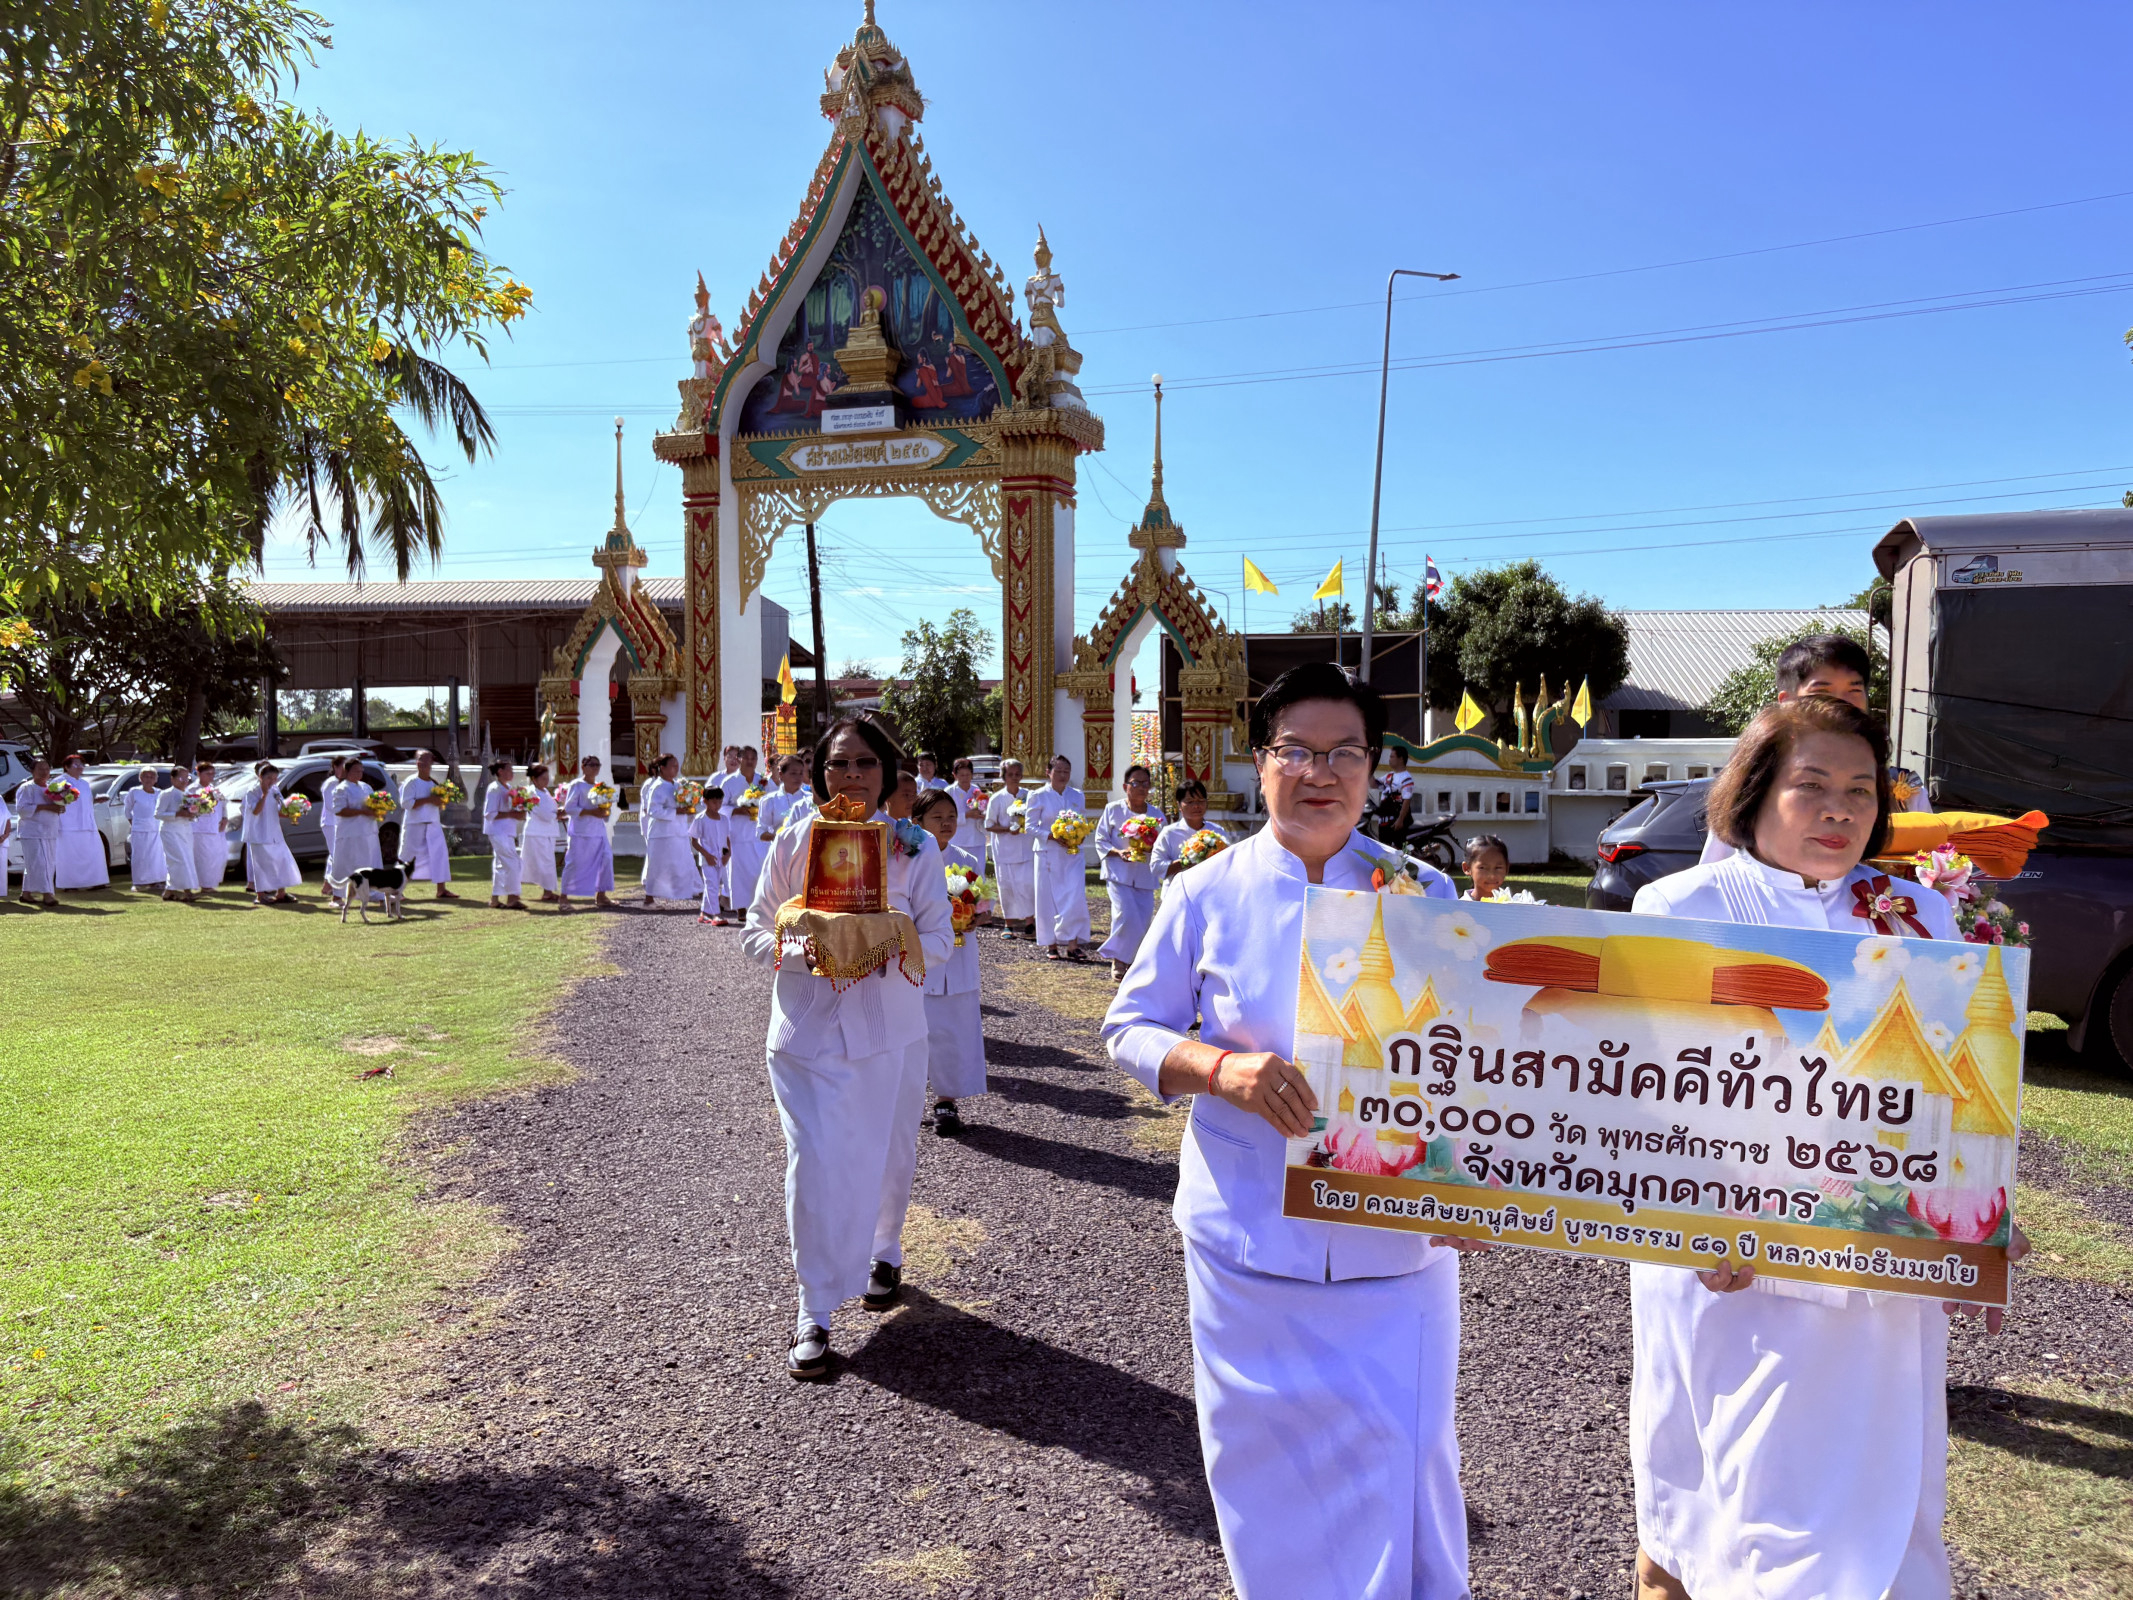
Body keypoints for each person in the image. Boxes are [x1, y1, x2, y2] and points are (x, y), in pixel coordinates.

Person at [1626, 694, 2025, 1600]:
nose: (1839, 811)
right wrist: (1686, 1221)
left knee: (1877, 1501)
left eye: (1859, 791)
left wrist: (1981, 1217)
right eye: (1811, 787)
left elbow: (1955, 1089)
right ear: (1752, 793)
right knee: (1739, 1501)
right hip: (1730, 1270)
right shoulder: (1679, 906)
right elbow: (1627, 1092)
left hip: (1881, 1275)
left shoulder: (1918, 916)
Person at [1102, 663, 1473, 1600]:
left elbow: (1480, 1056)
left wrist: (1481, 1183)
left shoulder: (1422, 892)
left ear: (1373, 768)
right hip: (1246, 1239)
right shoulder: (1206, 891)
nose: (1322, 773)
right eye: (1297, 752)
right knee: (1262, 1471)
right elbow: (1128, 1027)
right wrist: (1220, 1071)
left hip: (1395, 1246)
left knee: (1403, 1459)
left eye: (1345, 752)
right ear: (1259, 764)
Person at [742, 717, 954, 1381]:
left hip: (889, 1033)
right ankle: (814, 1307)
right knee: (815, 1163)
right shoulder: (796, 837)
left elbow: (940, 942)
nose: (852, 776)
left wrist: (881, 946)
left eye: (865, 763)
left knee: (888, 1151)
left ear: (889, 774)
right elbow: (754, 930)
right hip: (805, 1036)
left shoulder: (914, 851)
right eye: (838, 764)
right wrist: (816, 951)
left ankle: (883, 1249)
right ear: (817, 772)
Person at [1700, 634, 1923, 867]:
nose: (1840, 704)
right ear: (1787, 702)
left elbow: (1934, 864)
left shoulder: (1904, 786)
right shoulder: (1755, 781)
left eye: (1853, 691)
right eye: (1822, 692)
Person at [912, 787, 989, 1135]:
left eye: (951, 817)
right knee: (916, 1028)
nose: (946, 824)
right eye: (937, 818)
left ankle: (947, 1100)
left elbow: (984, 908)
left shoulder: (966, 859)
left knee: (956, 1028)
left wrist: (974, 918)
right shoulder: (908, 858)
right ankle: (907, 1099)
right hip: (920, 956)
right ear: (918, 822)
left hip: (959, 957)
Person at [1094, 764, 1167, 980]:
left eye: (1146, 783)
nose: (1142, 788)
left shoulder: (1156, 815)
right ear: (1126, 786)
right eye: (1136, 783)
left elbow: (1164, 845)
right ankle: (1119, 960)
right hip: (1118, 873)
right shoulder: (1113, 810)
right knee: (1125, 916)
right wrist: (1119, 852)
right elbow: (1100, 839)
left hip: (1145, 875)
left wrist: (1152, 847)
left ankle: (1134, 962)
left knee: (1143, 921)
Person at [1023, 755, 1091, 961]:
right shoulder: (1038, 796)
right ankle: (1051, 944)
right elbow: (1030, 826)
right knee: (1047, 899)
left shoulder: (1077, 795)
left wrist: (1079, 834)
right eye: (1058, 771)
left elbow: (1082, 821)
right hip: (1047, 853)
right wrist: (1052, 836)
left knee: (1075, 897)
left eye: (1066, 771)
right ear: (1048, 772)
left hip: (1071, 854)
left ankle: (1073, 944)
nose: (1063, 775)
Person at [398, 750, 461, 901]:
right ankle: (397, 890)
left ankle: (441, 889)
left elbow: (437, 803)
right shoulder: (411, 782)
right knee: (407, 857)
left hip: (433, 824)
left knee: (439, 855)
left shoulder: (433, 782)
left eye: (429, 762)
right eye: (423, 762)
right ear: (418, 764)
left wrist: (441, 802)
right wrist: (428, 799)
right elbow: (405, 803)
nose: (426, 765)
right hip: (415, 825)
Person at [638, 753, 701, 906]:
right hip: (662, 833)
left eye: (676, 765)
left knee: (683, 861)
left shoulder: (678, 785)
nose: (676, 768)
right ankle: (649, 898)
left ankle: (692, 889)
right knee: (658, 866)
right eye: (672, 765)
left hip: (678, 830)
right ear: (662, 768)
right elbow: (653, 810)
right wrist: (676, 812)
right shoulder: (657, 786)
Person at [984, 758, 1036, 938]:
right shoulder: (997, 799)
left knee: (1028, 886)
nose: (1014, 777)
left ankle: (1030, 922)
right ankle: (1009, 924)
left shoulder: (1029, 796)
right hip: (1005, 851)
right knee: (1007, 887)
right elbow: (989, 825)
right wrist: (1008, 829)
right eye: (1010, 774)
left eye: (1017, 774)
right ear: (1003, 776)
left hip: (1026, 849)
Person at [559, 754, 615, 912]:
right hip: (581, 832)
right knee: (575, 862)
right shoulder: (577, 785)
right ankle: (564, 897)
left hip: (598, 831)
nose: (595, 768)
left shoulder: (600, 787)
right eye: (592, 765)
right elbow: (569, 808)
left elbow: (604, 810)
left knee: (606, 859)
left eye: (597, 765)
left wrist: (605, 811)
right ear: (583, 767)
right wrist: (591, 812)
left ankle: (601, 895)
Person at [243, 761, 303, 905]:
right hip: (259, 833)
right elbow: (256, 811)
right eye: (269, 778)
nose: (272, 781)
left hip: (275, 832)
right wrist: (264, 794)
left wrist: (293, 812)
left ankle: (281, 893)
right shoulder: (252, 791)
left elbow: (279, 809)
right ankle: (260, 895)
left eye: (275, 778)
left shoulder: (275, 789)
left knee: (282, 861)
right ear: (260, 777)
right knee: (262, 864)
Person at [326, 759, 384, 899]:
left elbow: (372, 804)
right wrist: (362, 812)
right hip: (349, 833)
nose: (360, 773)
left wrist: (379, 810)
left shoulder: (366, 787)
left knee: (370, 862)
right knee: (346, 862)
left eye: (361, 770)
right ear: (347, 772)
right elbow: (339, 810)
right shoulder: (341, 788)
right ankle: (338, 895)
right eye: (356, 770)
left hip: (368, 831)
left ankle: (372, 892)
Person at [12, 755, 64, 906]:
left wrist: (60, 807)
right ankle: (48, 895)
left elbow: (58, 807)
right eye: (40, 769)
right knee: (41, 863)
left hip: (50, 831)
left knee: (42, 863)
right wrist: (46, 807)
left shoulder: (53, 789)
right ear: (32, 771)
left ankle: (26, 894)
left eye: (47, 769)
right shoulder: (26, 788)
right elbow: (21, 810)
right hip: (32, 832)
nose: (44, 772)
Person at [54, 752, 110, 891]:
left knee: (93, 852)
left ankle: (96, 881)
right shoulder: (60, 782)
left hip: (87, 823)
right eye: (76, 764)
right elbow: (56, 800)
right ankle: (70, 884)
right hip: (69, 825)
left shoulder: (84, 783)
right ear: (67, 767)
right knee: (70, 855)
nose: (80, 767)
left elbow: (85, 802)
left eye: (81, 764)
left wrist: (96, 800)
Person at [724, 746, 770, 912]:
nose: (750, 761)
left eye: (753, 758)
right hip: (739, 833)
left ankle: (760, 907)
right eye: (747, 758)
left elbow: (772, 800)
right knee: (739, 872)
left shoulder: (764, 781)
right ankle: (741, 907)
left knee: (760, 870)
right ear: (739, 759)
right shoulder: (729, 782)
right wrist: (737, 810)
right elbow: (719, 807)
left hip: (760, 833)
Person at [1150, 778, 1212, 889]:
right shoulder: (1169, 833)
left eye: (1201, 801)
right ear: (1179, 805)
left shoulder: (1216, 831)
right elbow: (1155, 866)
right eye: (1190, 802)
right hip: (1177, 893)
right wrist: (1184, 862)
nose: (1196, 806)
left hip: (1207, 892)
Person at [484, 760, 528, 909]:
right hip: (497, 831)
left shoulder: (509, 788)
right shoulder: (494, 789)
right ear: (500, 771)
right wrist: (511, 814)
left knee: (501, 865)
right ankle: (513, 897)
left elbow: (512, 811)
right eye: (509, 770)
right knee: (513, 862)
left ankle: (495, 899)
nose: (512, 773)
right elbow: (489, 814)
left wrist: (519, 812)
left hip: (508, 831)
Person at [156, 762, 202, 902]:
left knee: (186, 859)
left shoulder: (188, 794)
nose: (184, 781)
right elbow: (158, 814)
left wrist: (194, 813)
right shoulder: (166, 794)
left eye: (186, 778)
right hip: (170, 831)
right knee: (178, 860)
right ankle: (187, 891)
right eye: (181, 778)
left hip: (185, 831)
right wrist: (177, 814)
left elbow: (190, 814)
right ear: (173, 779)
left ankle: (169, 892)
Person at [690, 784, 732, 925]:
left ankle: (704, 912)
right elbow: (694, 841)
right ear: (705, 801)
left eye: (720, 802)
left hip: (721, 858)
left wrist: (728, 854)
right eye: (714, 802)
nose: (717, 805)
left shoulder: (724, 819)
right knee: (712, 885)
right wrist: (706, 855)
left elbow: (727, 838)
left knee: (713, 885)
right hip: (708, 859)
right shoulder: (700, 819)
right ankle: (716, 914)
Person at [520, 762, 562, 902]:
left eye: (547, 777)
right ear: (534, 779)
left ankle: (548, 891)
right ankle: (547, 891)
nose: (547, 780)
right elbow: (544, 814)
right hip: (537, 832)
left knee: (547, 862)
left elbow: (550, 811)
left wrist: (558, 812)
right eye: (543, 778)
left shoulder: (544, 792)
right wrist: (559, 813)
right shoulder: (531, 792)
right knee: (543, 862)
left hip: (546, 832)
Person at [123, 766, 168, 892]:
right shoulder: (134, 792)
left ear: (156, 779)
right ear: (140, 778)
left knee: (157, 856)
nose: (149, 779)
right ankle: (139, 882)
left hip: (156, 829)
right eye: (146, 776)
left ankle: (157, 881)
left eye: (152, 777)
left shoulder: (160, 793)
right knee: (140, 856)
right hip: (140, 829)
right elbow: (127, 810)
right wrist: (134, 823)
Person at [190, 760, 231, 894]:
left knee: (218, 856)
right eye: (208, 774)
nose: (211, 777)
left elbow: (223, 804)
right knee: (204, 858)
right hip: (200, 829)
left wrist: (225, 818)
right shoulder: (192, 790)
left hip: (217, 828)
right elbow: (190, 808)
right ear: (199, 773)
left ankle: (212, 882)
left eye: (213, 774)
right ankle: (205, 885)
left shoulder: (215, 789)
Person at [946, 756, 988, 859]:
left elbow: (984, 808)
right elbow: (946, 817)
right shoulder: (949, 792)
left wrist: (983, 813)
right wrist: (966, 815)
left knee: (977, 872)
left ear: (972, 775)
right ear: (954, 775)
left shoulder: (976, 790)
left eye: (967, 775)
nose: (965, 778)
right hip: (957, 840)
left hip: (976, 838)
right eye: (961, 775)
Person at [1373, 744, 1416, 841]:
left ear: (1400, 759)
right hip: (1384, 822)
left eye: (1392, 757)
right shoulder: (1389, 776)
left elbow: (1406, 801)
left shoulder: (1406, 778)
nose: (1389, 759)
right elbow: (1374, 784)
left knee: (1396, 853)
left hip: (1395, 823)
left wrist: (1400, 820)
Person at [317, 757, 344, 898]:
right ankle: (334, 888)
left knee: (336, 855)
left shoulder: (344, 783)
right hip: (331, 823)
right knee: (337, 855)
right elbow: (330, 806)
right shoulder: (331, 783)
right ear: (335, 767)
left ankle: (328, 884)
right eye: (343, 767)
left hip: (340, 824)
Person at [1459, 833, 1511, 900]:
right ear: (1467, 868)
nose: (1492, 875)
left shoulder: (1514, 906)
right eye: (1482, 868)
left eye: (1498, 868)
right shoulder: (1460, 908)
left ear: (1507, 868)